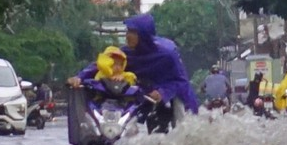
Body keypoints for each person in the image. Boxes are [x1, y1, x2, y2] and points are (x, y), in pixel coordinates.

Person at [70, 16, 198, 122]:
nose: (127, 36)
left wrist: (162, 92)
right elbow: (101, 64)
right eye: (127, 31)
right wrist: (79, 77)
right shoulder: (126, 53)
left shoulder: (168, 54)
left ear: (143, 35)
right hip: (147, 95)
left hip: (175, 96)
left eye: (132, 32)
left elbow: (180, 82)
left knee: (181, 120)